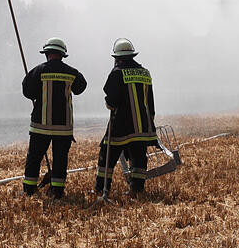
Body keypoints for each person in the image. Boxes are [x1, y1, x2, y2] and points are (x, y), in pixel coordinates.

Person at [21, 37, 87, 198]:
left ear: (46, 53)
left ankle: (29, 190)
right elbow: (81, 88)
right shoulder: (72, 73)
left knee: (34, 158)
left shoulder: (38, 71)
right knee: (60, 159)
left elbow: (27, 92)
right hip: (63, 128)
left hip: (40, 126)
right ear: (63, 55)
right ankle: (57, 191)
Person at [95, 38, 158, 196]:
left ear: (116, 57)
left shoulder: (117, 73)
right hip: (143, 125)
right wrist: (150, 120)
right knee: (139, 158)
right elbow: (150, 100)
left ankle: (102, 188)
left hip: (122, 125)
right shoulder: (145, 72)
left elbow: (111, 101)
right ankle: (137, 189)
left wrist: (110, 105)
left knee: (106, 156)